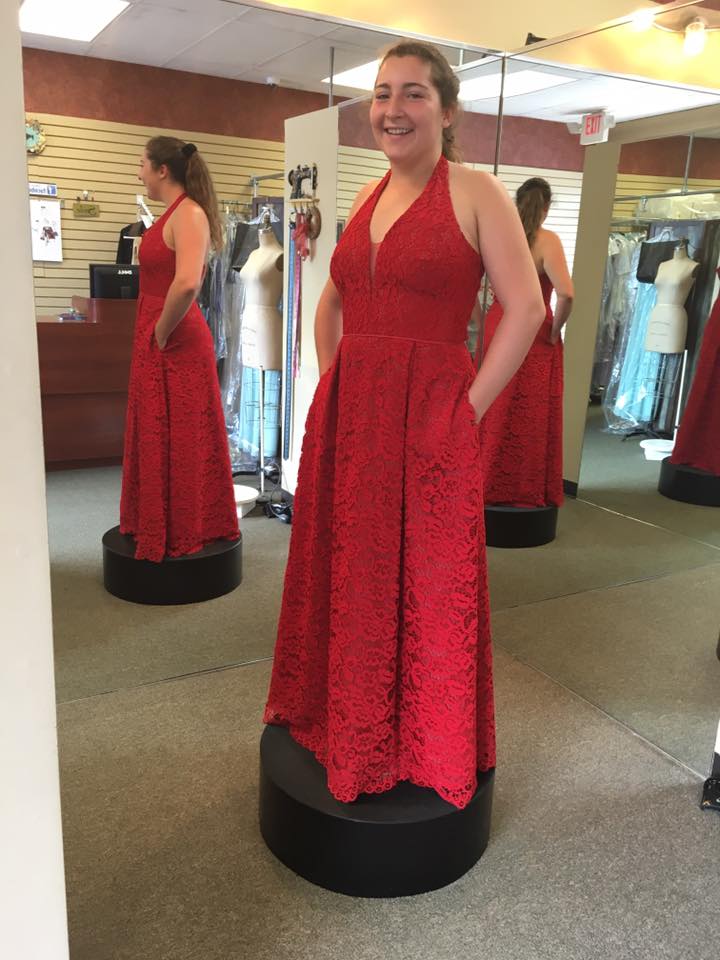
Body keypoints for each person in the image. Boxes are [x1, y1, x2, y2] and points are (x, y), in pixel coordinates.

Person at [263, 42, 545, 809]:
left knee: (428, 577)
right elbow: (332, 300)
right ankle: (344, 716)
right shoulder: (367, 195)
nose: (393, 109)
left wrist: (466, 408)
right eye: (382, 93)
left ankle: (425, 740)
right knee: (349, 566)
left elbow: (527, 310)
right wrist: (336, 379)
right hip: (353, 421)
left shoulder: (477, 190)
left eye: (414, 93)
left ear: (447, 111)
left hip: (431, 420)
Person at [120, 137, 239, 563]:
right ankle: (153, 520)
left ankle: (189, 525)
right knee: (158, 430)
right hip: (161, 334)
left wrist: (162, 332)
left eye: (142, 164)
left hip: (176, 339)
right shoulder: (173, 214)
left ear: (162, 170)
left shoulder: (188, 213)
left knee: (183, 435)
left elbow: (187, 282)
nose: (140, 173)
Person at [478, 177, 574, 509]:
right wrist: (554, 330)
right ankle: (521, 488)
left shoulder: (501, 236)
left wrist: (481, 319)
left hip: (497, 323)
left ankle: (483, 483)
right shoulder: (547, 241)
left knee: (492, 405)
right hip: (532, 330)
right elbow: (566, 293)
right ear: (546, 207)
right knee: (529, 412)